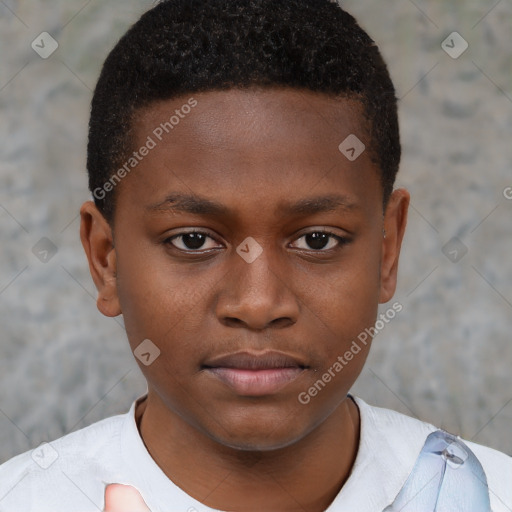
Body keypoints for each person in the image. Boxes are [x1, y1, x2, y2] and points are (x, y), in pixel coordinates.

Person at [0, 1, 510, 511]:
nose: (258, 303)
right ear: (105, 259)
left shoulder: (481, 494)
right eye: (193, 241)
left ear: (387, 251)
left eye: (317, 240)